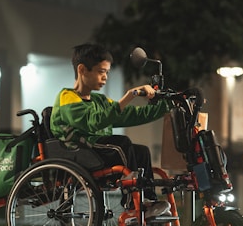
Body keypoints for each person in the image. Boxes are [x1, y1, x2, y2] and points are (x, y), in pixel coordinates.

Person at [50, 43, 171, 217]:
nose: (105, 77)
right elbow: (93, 122)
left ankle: (149, 201)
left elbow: (130, 114)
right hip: (80, 151)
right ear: (82, 69)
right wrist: (131, 95)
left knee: (141, 152)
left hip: (98, 150)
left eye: (107, 72)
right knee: (121, 144)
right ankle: (132, 203)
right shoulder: (67, 98)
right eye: (101, 71)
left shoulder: (99, 100)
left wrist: (167, 105)